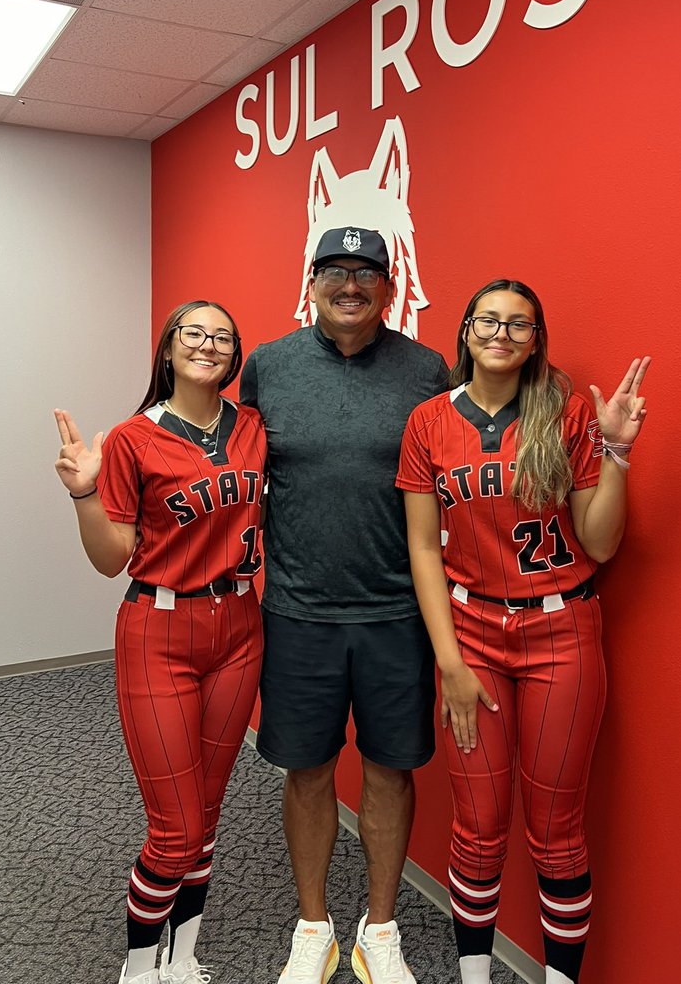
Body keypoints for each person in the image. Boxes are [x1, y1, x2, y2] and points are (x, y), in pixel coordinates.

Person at [396, 279, 650, 984]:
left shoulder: (565, 413)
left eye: (519, 324)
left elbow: (600, 543)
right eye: (489, 320)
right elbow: (422, 546)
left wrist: (620, 452)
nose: (501, 333)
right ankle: (475, 978)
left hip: (561, 630)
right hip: (471, 630)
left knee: (557, 834)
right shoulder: (427, 422)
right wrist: (448, 662)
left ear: (537, 340)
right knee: (478, 828)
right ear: (466, 330)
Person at [238, 227, 450, 984]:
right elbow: (245, 471)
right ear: (313, 281)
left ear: (389, 288)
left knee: (392, 772)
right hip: (298, 611)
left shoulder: (428, 370)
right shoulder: (266, 366)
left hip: (398, 614)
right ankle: (315, 924)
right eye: (335, 270)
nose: (351, 284)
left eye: (367, 272)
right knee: (307, 770)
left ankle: (381, 928)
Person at [54, 300, 266, 984]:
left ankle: (185, 955)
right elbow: (110, 557)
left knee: (205, 815)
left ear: (235, 356)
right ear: (168, 349)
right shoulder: (132, 439)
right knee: (173, 829)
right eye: (194, 333)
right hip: (158, 632)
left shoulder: (255, 428)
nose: (208, 344)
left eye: (222, 336)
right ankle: (140, 968)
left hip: (238, 628)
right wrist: (85, 496)